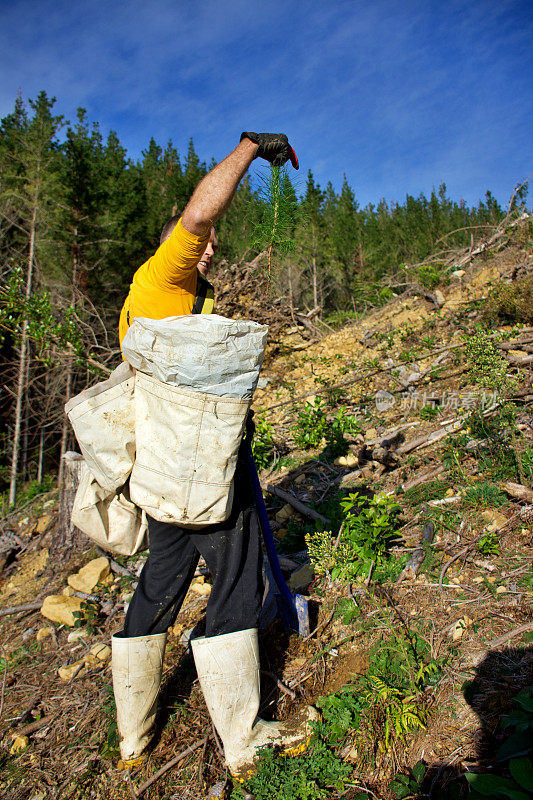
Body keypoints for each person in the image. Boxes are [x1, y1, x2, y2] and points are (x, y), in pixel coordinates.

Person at [111, 132, 316, 781]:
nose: (211, 245)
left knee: (160, 584)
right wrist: (251, 147)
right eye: (201, 241)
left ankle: (132, 734)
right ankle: (242, 737)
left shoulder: (160, 298)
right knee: (233, 579)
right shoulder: (165, 273)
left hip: (164, 476)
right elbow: (201, 216)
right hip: (203, 473)